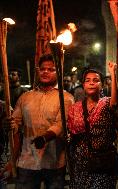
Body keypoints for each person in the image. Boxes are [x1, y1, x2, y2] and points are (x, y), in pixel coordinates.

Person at [5, 54, 74, 189]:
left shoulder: (66, 98)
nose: (45, 72)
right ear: (38, 70)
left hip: (54, 162)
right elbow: (16, 125)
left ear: (58, 71)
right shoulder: (26, 97)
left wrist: (44, 138)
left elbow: (61, 124)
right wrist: (10, 125)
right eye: (42, 69)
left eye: (51, 69)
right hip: (27, 161)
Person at [67, 62, 118, 189]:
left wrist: (113, 73)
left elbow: (115, 104)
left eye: (96, 80)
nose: (91, 83)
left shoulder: (107, 103)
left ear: (102, 85)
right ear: (83, 85)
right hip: (80, 163)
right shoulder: (75, 107)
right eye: (87, 80)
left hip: (102, 162)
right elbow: (71, 132)